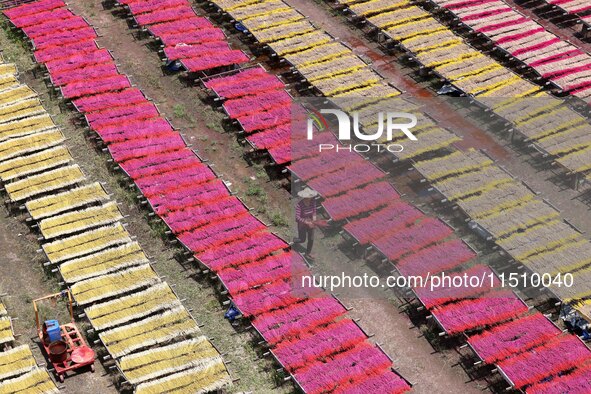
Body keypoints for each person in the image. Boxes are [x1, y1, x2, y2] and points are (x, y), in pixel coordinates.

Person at [293, 187, 318, 260]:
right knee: (302, 239)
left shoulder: (313, 201)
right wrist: (305, 222)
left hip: (310, 222)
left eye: (310, 197)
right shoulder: (299, 205)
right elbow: (297, 217)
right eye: (307, 197)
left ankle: (308, 253)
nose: (309, 198)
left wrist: (314, 219)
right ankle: (295, 240)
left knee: (311, 239)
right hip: (302, 223)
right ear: (304, 197)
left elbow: (314, 211)